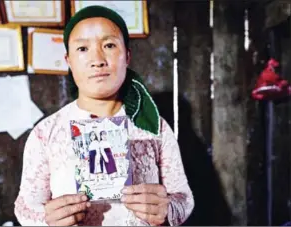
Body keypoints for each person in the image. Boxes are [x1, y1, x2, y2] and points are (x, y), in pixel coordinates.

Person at [14, 5, 194, 226]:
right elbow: (25, 207)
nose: (97, 59)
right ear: (68, 60)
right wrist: (46, 219)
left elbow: (183, 198)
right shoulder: (45, 133)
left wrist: (167, 209)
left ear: (127, 56)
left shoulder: (154, 126)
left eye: (109, 45)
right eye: (82, 49)